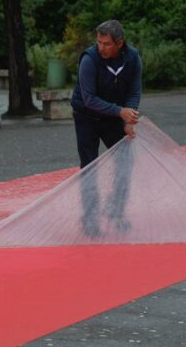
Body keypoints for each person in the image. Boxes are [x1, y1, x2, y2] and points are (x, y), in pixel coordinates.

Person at [70, 20, 142, 236]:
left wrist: (129, 118)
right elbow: (89, 99)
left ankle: (116, 212)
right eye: (98, 42)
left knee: (125, 162)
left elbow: (134, 91)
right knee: (89, 166)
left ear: (119, 43)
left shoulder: (132, 58)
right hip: (87, 116)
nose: (101, 47)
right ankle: (90, 219)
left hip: (113, 116)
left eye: (106, 43)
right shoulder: (89, 60)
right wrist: (120, 112)